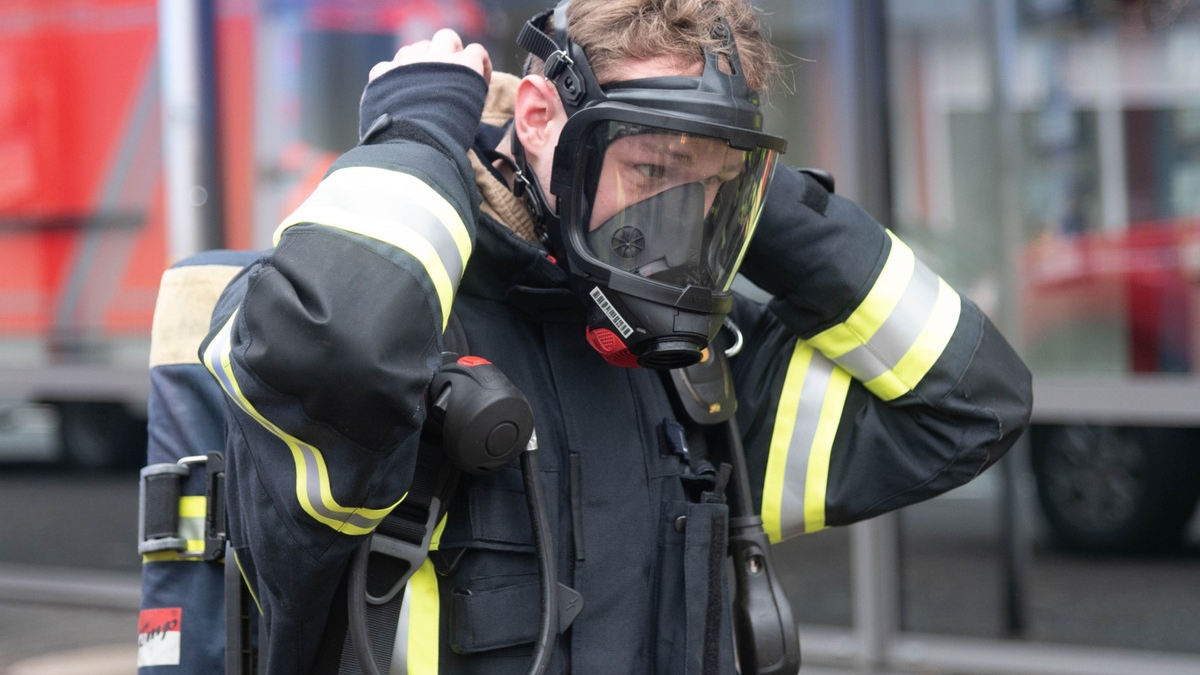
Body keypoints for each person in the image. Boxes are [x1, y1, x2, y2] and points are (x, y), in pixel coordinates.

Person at [198, 1, 1033, 673]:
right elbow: (333, 345)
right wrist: (416, 143)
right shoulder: (404, 339)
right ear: (536, 117)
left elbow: (971, 403)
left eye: (707, 189)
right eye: (650, 171)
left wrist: (752, 192)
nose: (675, 226)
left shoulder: (692, 371)